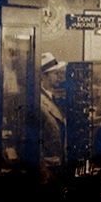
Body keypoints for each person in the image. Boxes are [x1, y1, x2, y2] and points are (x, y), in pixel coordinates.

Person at [39, 53, 67, 183]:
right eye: (55, 73)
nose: (59, 77)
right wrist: (44, 174)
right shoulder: (39, 103)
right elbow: (34, 144)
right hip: (47, 173)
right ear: (43, 76)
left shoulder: (52, 98)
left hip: (58, 168)